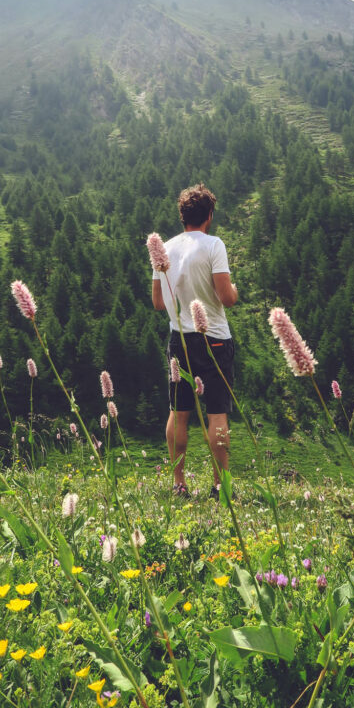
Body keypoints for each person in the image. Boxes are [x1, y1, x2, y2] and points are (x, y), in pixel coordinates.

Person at [150, 184, 238, 498]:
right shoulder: (214, 245)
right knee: (216, 413)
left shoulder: (164, 248)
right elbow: (227, 298)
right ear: (209, 216)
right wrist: (235, 291)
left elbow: (158, 302)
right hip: (213, 338)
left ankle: (179, 483)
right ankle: (219, 486)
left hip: (179, 340)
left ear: (182, 216)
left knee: (179, 411)